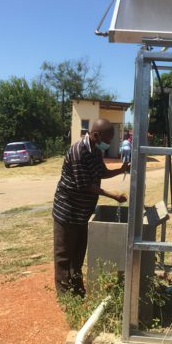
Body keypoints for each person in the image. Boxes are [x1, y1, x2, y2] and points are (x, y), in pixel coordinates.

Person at [52, 118, 129, 297]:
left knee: (78, 254)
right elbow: (84, 185)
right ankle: (65, 297)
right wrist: (113, 195)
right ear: (95, 135)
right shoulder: (78, 151)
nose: (108, 144)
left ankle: (77, 290)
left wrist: (121, 169)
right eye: (107, 140)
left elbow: (101, 172)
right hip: (67, 211)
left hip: (82, 213)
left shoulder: (95, 151)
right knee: (64, 255)